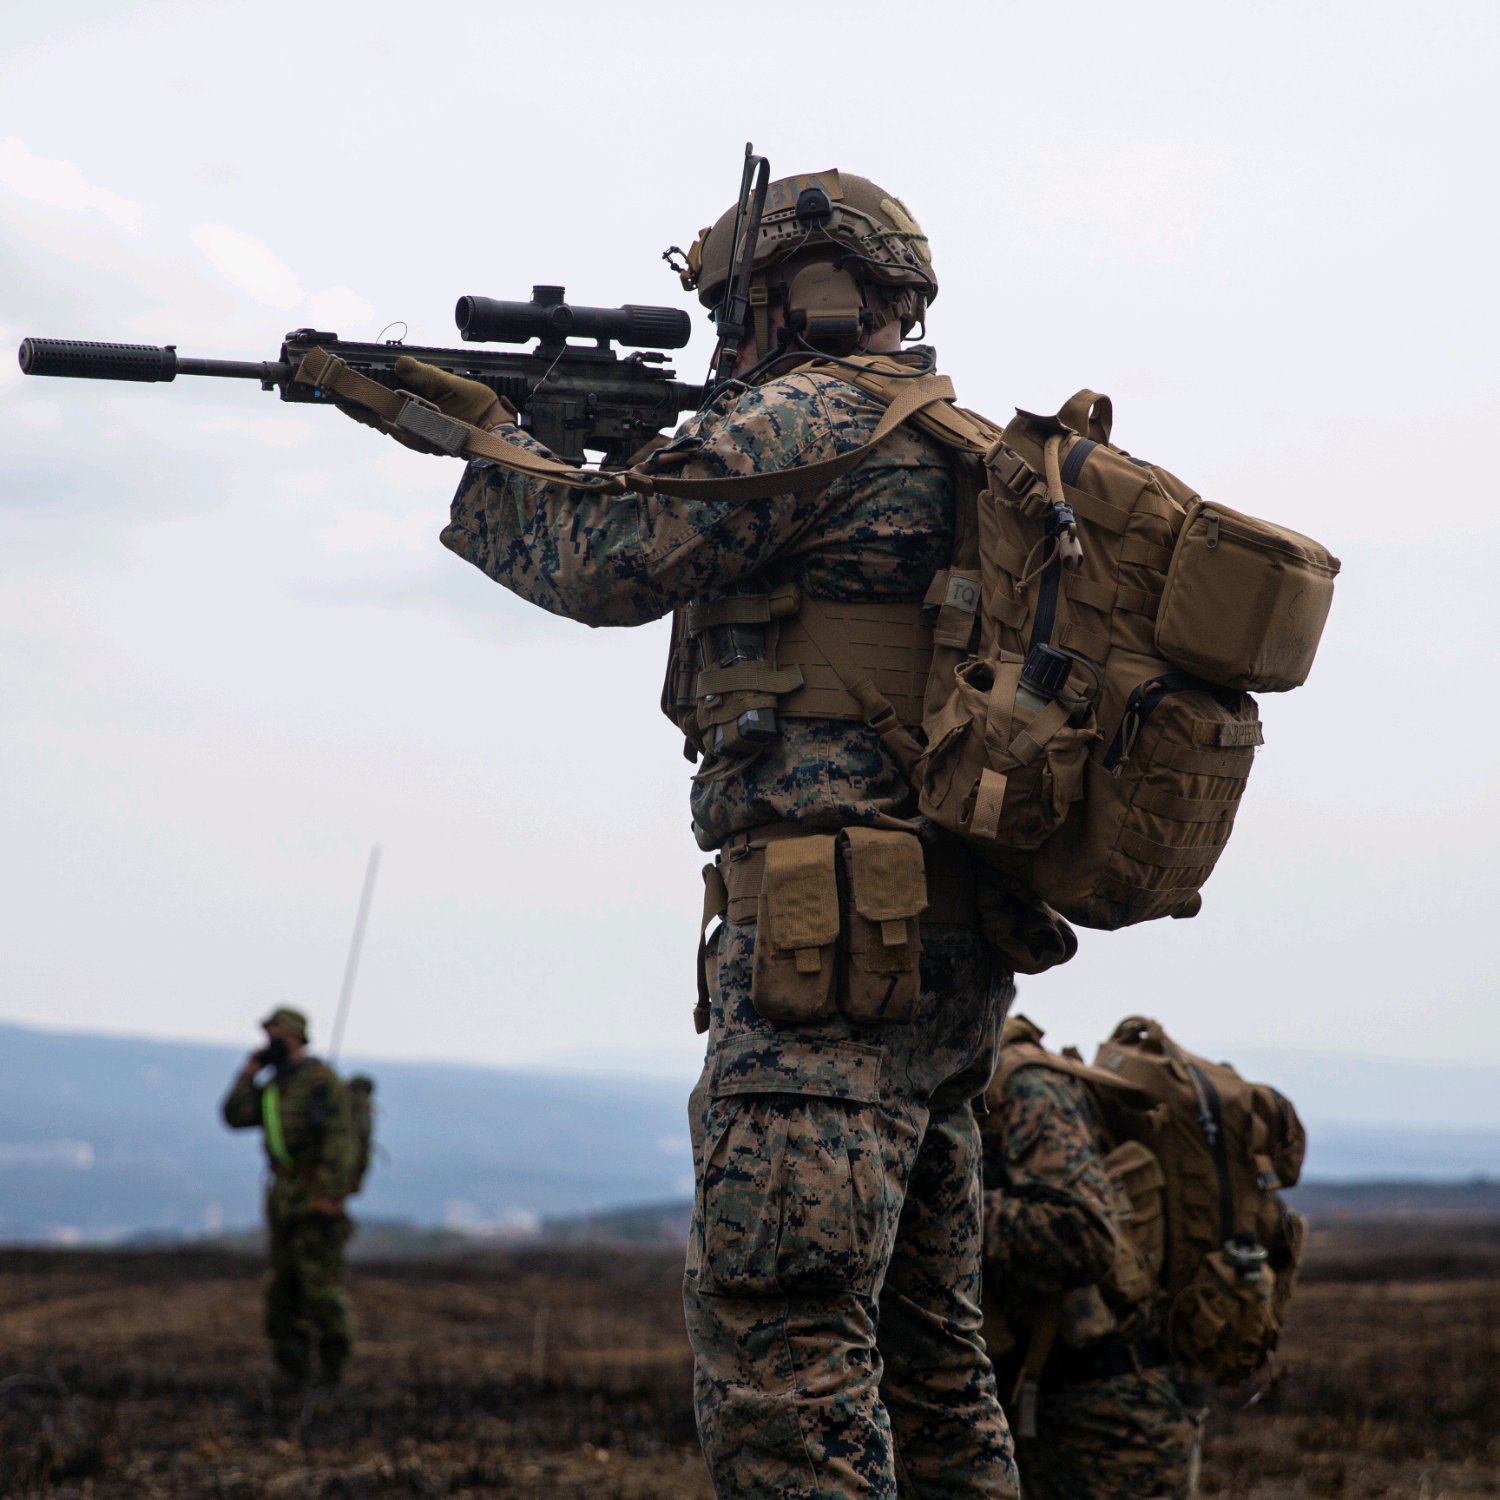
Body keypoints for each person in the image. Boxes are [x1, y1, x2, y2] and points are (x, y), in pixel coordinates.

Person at [335, 168, 1027, 1497]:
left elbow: (606, 559)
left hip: (826, 963)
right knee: (932, 1366)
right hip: (939, 959)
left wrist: (476, 441)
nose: (722, 343)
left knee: (785, 1364)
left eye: (731, 310)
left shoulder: (811, 418)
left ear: (803, 291)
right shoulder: (958, 442)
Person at [980, 1013, 1205, 1499]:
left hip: (1114, 1411)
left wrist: (953, 1211)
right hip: (1036, 1403)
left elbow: (1087, 1234)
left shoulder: (1025, 1088)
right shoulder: (958, 1084)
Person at [221, 1005, 356, 1389]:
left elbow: (341, 1140)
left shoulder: (320, 1082)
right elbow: (234, 1115)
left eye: (276, 1034)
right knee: (282, 1292)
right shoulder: (273, 1086)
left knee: (320, 1290)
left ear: (295, 1036)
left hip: (315, 1201)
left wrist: (331, 1193)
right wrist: (248, 1073)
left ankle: (333, 1373)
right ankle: (294, 1374)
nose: (270, 1042)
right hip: (283, 1200)